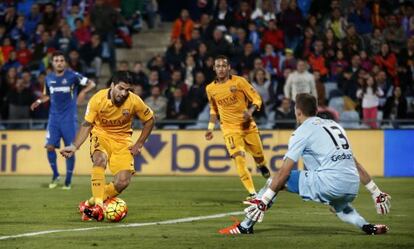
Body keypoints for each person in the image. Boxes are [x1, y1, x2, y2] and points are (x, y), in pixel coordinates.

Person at [219, 93, 391, 235]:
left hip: (329, 182)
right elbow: (355, 162)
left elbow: (284, 172)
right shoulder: (334, 125)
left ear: (298, 112)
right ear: (316, 110)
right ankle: (368, 227)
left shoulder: (302, 132)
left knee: (275, 181)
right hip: (351, 186)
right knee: (340, 205)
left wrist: (264, 200)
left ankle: (245, 227)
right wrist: (376, 192)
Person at [60, 71, 155, 221]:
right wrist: (74, 146)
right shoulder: (97, 99)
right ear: (112, 85)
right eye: (121, 88)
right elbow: (87, 124)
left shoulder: (135, 101)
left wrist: (139, 143)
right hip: (101, 135)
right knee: (100, 160)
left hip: (123, 141)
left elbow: (150, 120)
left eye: (127, 90)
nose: (124, 93)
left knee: (123, 182)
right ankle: (98, 207)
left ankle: (88, 204)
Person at [205, 55, 271, 200]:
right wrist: (210, 128)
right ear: (214, 68)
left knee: (258, 156)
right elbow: (213, 109)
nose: (221, 69)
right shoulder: (210, 89)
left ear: (228, 68)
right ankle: (252, 193)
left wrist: (251, 111)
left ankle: (262, 165)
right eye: (218, 66)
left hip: (247, 126)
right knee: (239, 158)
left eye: (223, 66)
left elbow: (257, 99)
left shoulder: (239, 82)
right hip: (229, 129)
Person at [31, 51, 96, 189]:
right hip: (53, 119)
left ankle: (68, 180)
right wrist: (38, 101)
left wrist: (83, 92)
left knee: (69, 149)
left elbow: (92, 84)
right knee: (49, 147)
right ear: (53, 63)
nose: (59, 62)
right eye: (56, 60)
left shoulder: (73, 76)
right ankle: (55, 175)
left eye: (61, 60)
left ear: (65, 62)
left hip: (68, 119)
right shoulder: (48, 78)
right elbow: (47, 95)